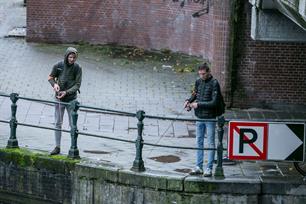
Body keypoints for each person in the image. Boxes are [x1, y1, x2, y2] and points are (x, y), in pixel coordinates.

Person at [184, 63, 221, 177]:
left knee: (210, 143)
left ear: (208, 72)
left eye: (203, 74)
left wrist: (198, 104)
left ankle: (209, 168)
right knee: (199, 142)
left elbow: (214, 102)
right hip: (199, 117)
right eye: (200, 74)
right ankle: (198, 167)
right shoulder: (198, 81)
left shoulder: (214, 83)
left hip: (210, 118)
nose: (201, 76)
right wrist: (188, 101)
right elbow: (195, 94)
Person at [48, 47, 82, 155]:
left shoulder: (77, 68)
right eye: (70, 57)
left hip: (71, 100)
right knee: (58, 122)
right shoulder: (58, 66)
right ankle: (57, 147)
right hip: (59, 99)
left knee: (73, 124)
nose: (72, 59)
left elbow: (77, 85)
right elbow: (50, 77)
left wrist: (66, 92)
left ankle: (73, 147)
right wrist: (55, 85)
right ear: (66, 56)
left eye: (74, 57)